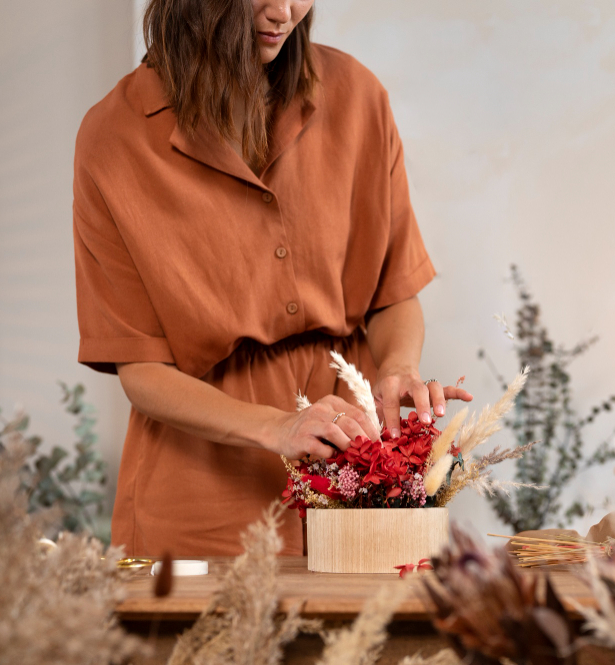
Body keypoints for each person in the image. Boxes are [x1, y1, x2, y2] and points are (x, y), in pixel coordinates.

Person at [72, 0, 471, 556]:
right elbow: (141, 368)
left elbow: (392, 292)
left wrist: (398, 367)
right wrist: (278, 428)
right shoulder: (112, 138)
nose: (284, 11)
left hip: (357, 476)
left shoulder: (357, 96)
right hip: (201, 496)